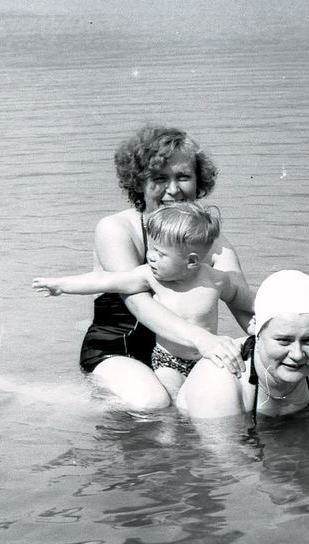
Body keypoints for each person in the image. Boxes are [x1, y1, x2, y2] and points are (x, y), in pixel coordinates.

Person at [78, 125, 255, 411]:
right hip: (120, 352)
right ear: (139, 182)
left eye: (183, 177)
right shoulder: (117, 228)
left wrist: (299, 334)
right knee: (153, 403)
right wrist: (204, 340)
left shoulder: (213, 241)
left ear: (199, 181)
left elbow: (245, 306)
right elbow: (139, 305)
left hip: (184, 354)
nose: (173, 190)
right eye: (160, 178)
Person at [33, 201, 254, 401]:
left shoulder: (215, 281)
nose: (151, 256)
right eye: (151, 248)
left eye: (160, 253)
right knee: (170, 406)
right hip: (169, 363)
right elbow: (104, 280)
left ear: (191, 261)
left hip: (206, 358)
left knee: (213, 399)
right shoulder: (149, 276)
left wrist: (263, 318)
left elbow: (245, 299)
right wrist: (61, 285)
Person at [176, 270, 309, 423]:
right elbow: (224, 455)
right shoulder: (218, 380)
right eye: (284, 340)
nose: (298, 355)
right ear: (257, 331)